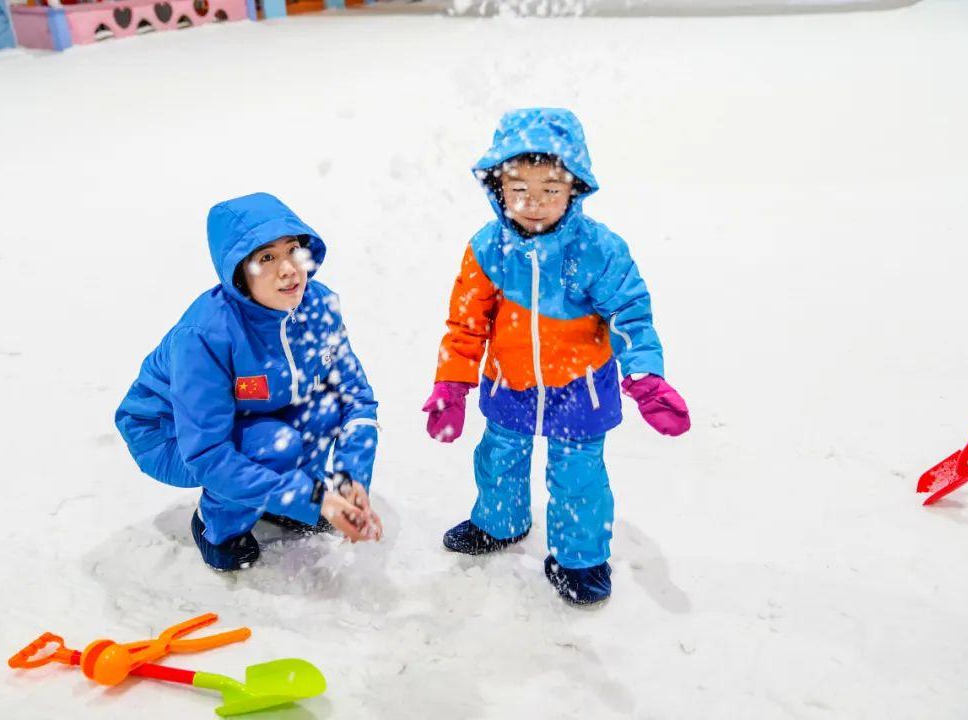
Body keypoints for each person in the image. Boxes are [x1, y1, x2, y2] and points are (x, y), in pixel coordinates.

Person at [423, 108, 690, 605]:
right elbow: (466, 323)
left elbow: (630, 315)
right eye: (519, 187)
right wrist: (451, 385)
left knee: (578, 477)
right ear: (497, 187)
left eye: (551, 188)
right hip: (511, 384)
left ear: (575, 188)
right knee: (499, 458)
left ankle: (580, 558)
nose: (534, 202)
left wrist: (646, 378)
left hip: (580, 387)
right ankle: (500, 523)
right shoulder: (487, 250)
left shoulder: (599, 250)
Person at [116, 192, 382, 571]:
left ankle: (283, 501)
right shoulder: (205, 335)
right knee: (275, 443)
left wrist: (347, 481)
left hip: (257, 405)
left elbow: (356, 400)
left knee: (323, 410)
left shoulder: (319, 306)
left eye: (292, 250)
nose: (288, 269)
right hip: (170, 431)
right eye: (267, 258)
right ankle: (218, 528)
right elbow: (209, 454)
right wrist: (314, 499)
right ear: (239, 273)